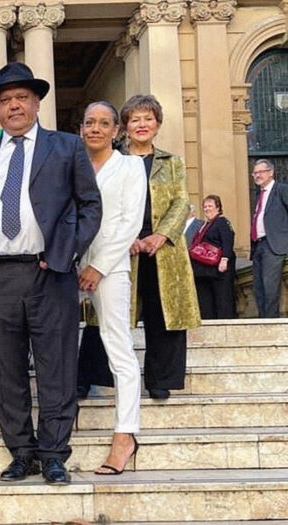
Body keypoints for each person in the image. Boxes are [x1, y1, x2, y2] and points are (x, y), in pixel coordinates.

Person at [0, 62, 102, 485]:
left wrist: (64, 251)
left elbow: (89, 206)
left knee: (56, 367)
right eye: (5, 100)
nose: (14, 105)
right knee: (5, 373)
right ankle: (21, 451)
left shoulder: (66, 148)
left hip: (50, 272)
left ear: (37, 102)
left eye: (22, 97)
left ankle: (54, 452)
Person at [78, 101, 146, 475]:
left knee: (118, 346)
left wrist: (98, 267)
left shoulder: (130, 166)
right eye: (90, 122)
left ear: (117, 130)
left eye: (105, 123)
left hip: (111, 268)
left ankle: (126, 435)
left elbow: (130, 222)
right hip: (68, 266)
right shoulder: (71, 164)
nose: (96, 129)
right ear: (82, 128)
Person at [122, 94, 200, 400]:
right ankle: (97, 374)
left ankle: (160, 379)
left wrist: (162, 235)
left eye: (148, 119)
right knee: (109, 313)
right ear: (125, 126)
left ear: (157, 124)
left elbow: (182, 202)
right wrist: (123, 236)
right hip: (123, 247)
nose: (141, 125)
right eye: (135, 119)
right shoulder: (115, 159)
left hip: (163, 250)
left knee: (162, 312)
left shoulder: (173, 162)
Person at [250, 159, 288, 318]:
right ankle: (262, 322)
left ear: (271, 172)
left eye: (260, 172)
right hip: (258, 245)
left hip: (274, 245)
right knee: (258, 288)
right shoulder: (259, 195)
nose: (257, 175)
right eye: (254, 173)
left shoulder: (281, 189)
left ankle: (270, 323)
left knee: (270, 287)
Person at [191, 195, 236, 319]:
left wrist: (225, 259)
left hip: (218, 269)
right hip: (204, 271)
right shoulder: (204, 225)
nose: (207, 209)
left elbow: (228, 240)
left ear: (218, 208)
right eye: (205, 206)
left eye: (210, 206)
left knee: (222, 299)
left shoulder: (222, 222)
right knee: (206, 301)